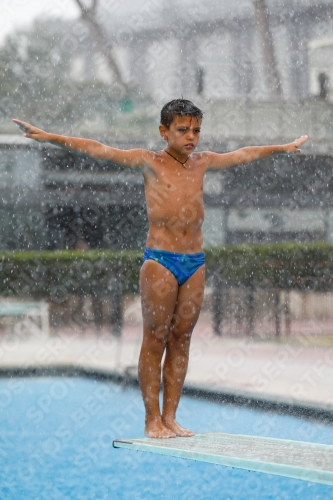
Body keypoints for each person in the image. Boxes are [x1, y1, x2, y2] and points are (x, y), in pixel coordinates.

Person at [13, 99, 308, 439]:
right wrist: (50, 137)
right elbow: (99, 149)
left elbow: (243, 154)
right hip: (161, 260)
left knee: (181, 339)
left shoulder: (202, 162)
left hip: (194, 261)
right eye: (182, 130)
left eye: (196, 130)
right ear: (163, 131)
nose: (191, 137)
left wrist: (282, 148)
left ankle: (170, 417)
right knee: (155, 337)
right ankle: (151, 419)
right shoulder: (149, 161)